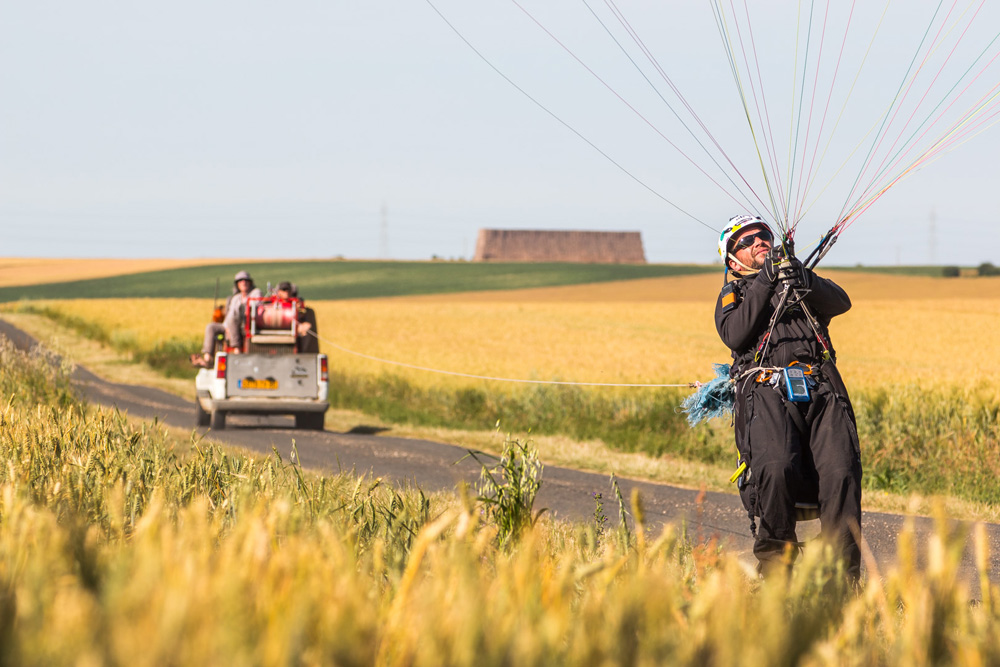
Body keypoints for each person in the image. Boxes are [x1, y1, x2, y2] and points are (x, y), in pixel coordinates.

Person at [714, 214, 862, 580]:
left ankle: (842, 582)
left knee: (842, 474)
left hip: (822, 387)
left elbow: (841, 302)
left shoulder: (799, 284)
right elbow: (735, 334)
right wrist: (767, 279)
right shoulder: (735, 294)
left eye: (762, 236)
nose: (759, 242)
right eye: (745, 242)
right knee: (775, 467)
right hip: (766, 391)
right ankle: (776, 574)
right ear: (733, 262)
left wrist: (803, 277)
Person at [191, 270, 261, 367]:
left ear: (250, 282)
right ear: (237, 284)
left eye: (245, 280)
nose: (243, 283)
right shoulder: (236, 298)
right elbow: (229, 316)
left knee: (233, 317)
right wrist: (226, 327)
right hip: (230, 325)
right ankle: (207, 359)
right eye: (240, 281)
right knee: (211, 327)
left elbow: (254, 307)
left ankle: (237, 350)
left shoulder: (255, 293)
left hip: (246, 324)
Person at [275, 281, 319, 353]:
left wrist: (298, 310)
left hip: (294, 327)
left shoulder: (296, 302)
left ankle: (303, 353)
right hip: (279, 327)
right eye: (284, 290)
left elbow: (303, 315)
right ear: (279, 292)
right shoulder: (275, 303)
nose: (286, 292)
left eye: (288, 290)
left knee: (306, 328)